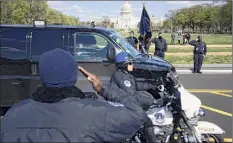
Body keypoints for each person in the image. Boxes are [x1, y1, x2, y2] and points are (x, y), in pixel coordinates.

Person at [1, 48, 149, 142]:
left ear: (43, 77)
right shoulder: (96, 114)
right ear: (74, 76)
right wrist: (102, 88)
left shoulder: (13, 114)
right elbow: (137, 114)